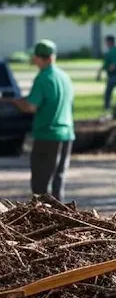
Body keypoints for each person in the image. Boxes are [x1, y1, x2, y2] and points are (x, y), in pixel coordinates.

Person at [1, 39, 75, 201]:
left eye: (35, 57)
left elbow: (30, 106)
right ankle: (61, 219)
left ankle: (44, 220)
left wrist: (13, 102)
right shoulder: (64, 77)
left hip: (47, 134)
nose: (33, 60)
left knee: (41, 184)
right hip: (67, 134)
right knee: (58, 180)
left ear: (41, 58)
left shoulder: (43, 78)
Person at [96, 35, 116, 116]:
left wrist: (110, 68)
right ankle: (107, 108)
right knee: (109, 93)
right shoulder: (114, 51)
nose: (106, 44)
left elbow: (115, 64)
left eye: (106, 42)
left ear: (110, 42)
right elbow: (105, 64)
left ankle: (108, 108)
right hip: (114, 75)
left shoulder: (115, 51)